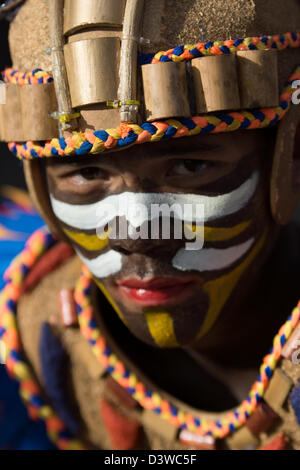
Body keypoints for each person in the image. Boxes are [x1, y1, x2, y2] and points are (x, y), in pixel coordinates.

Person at [1, 0, 300, 450]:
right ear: (40, 185)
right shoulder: (24, 343)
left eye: (190, 165)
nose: (137, 235)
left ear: (291, 157)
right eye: (87, 173)